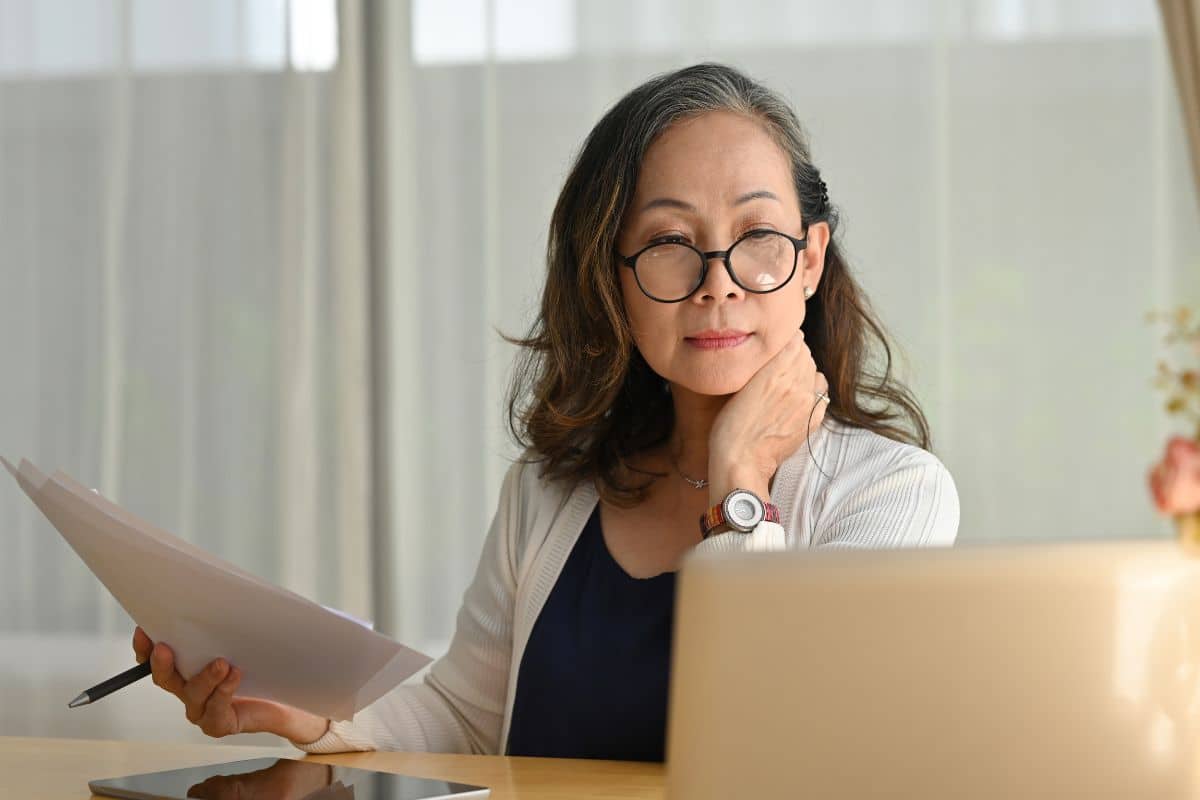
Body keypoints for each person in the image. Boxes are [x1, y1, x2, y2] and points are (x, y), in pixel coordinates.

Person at [132, 63, 960, 761]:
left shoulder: (893, 497)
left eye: (758, 236)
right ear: (613, 276)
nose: (720, 281)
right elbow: (465, 722)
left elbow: (786, 753)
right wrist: (309, 717)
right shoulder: (551, 491)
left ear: (810, 261)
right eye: (671, 242)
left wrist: (740, 484)